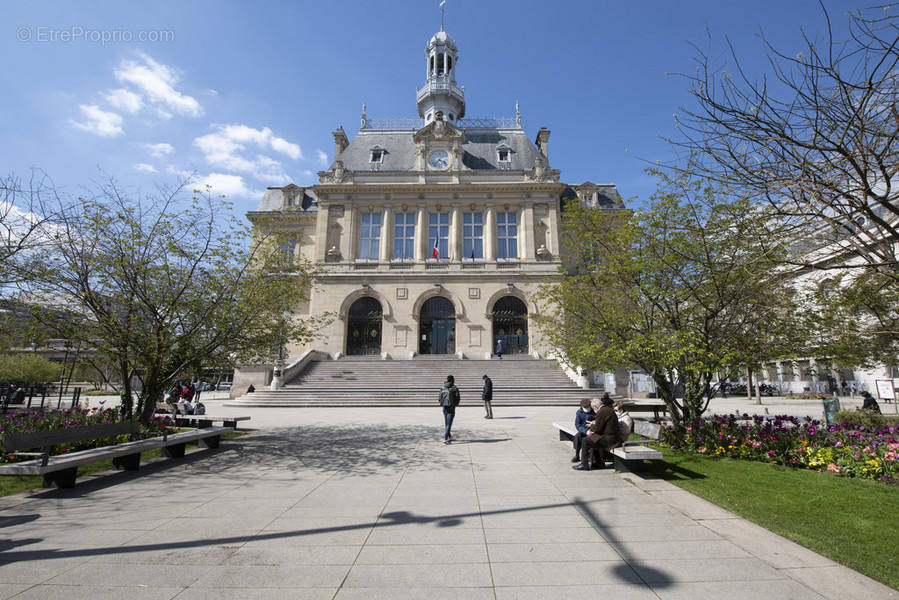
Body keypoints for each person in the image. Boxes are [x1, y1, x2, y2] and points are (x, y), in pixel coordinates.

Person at [574, 395, 620, 471]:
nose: (593, 409)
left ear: (595, 407)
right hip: (611, 436)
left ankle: (584, 464)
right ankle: (598, 463)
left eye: (593, 408)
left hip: (609, 438)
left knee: (586, 441)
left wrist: (591, 427)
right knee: (592, 439)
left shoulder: (601, 412)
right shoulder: (607, 409)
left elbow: (597, 428)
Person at [571, 398, 596, 463]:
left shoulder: (593, 411)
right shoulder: (579, 413)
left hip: (592, 430)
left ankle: (591, 457)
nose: (587, 409)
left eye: (588, 407)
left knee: (589, 439)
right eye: (585, 407)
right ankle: (577, 455)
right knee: (578, 436)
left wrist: (593, 424)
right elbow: (577, 425)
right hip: (584, 430)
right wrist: (585, 431)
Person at [438, 374, 461, 444]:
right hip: (451, 407)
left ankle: (449, 436)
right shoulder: (454, 388)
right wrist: (455, 405)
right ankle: (445, 438)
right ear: (452, 380)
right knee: (449, 423)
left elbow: (439, 398)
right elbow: (457, 398)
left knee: (446, 423)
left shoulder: (442, 387)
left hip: (444, 407)